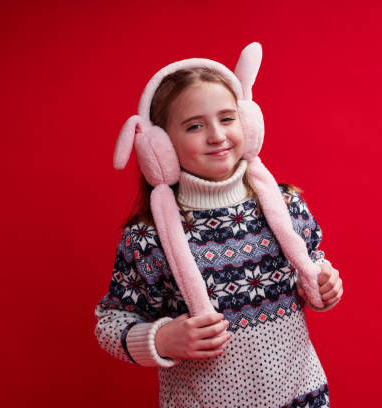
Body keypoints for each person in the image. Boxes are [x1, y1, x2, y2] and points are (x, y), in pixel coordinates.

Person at [94, 42, 343, 408]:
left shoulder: (285, 204)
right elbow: (109, 322)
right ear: (160, 146)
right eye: (195, 125)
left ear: (247, 121)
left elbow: (311, 268)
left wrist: (322, 282)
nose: (217, 135)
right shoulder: (148, 239)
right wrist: (160, 339)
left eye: (227, 118)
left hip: (302, 397)